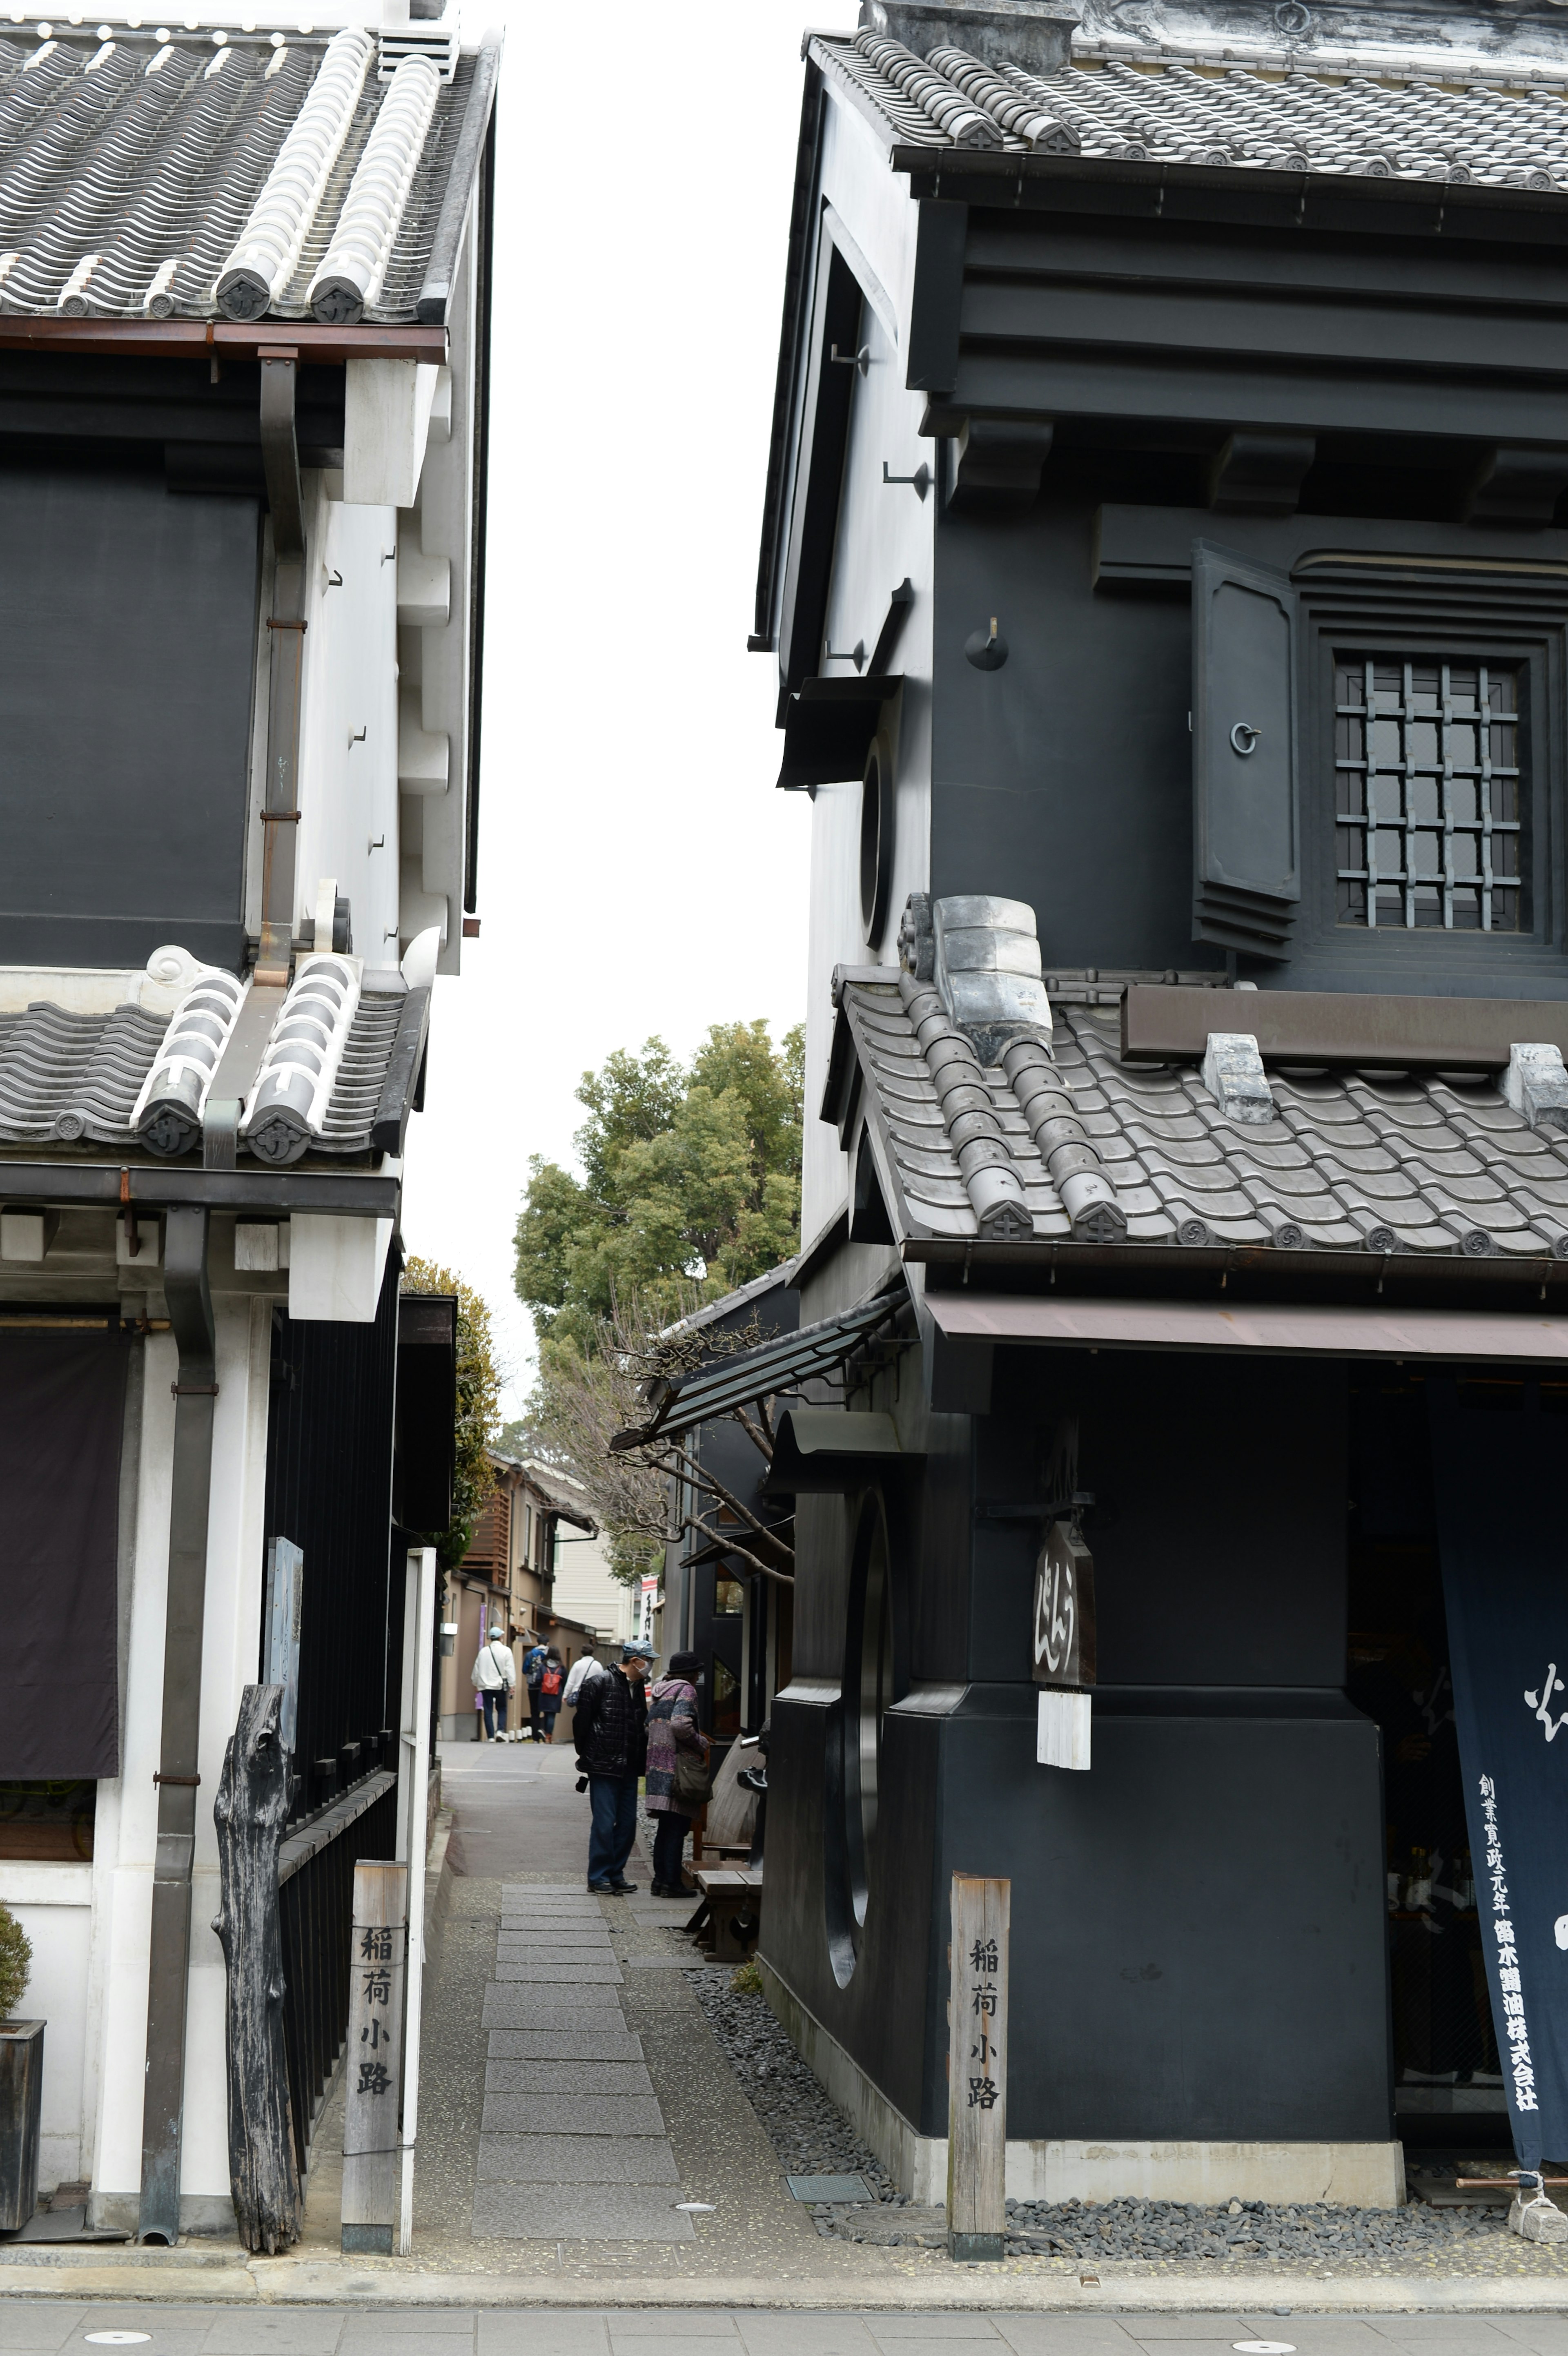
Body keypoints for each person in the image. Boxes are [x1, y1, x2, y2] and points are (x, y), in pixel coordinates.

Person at [573, 1639, 654, 1893]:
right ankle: (598, 1877)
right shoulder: (599, 1683)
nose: (650, 1665)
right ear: (636, 1661)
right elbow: (581, 1723)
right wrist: (588, 1755)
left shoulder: (638, 1685)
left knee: (628, 1823)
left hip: (630, 1764)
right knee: (605, 1822)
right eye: (648, 1660)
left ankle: (615, 1874)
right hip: (604, 1764)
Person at [645, 1650, 706, 1897]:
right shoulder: (686, 1690)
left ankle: (660, 1881)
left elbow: (648, 1726)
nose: (698, 1678)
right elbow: (681, 1725)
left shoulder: (661, 1690)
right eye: (698, 1673)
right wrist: (700, 1743)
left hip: (657, 1766)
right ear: (692, 1674)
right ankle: (672, 1883)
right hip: (677, 1769)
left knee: (666, 1828)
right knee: (677, 1827)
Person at [470, 1624, 514, 1743]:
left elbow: (476, 1669)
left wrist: (476, 1683)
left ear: (490, 1638)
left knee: (488, 1710)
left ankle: (490, 1737)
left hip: (485, 1686)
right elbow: (510, 1669)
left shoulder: (483, 1652)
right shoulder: (506, 1651)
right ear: (501, 1637)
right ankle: (500, 1731)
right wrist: (512, 1685)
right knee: (502, 1708)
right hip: (500, 1685)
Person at [523, 1637, 547, 1743]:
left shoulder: (530, 1654)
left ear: (537, 1642)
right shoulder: (550, 1654)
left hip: (533, 1686)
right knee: (548, 1711)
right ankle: (544, 1731)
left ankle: (535, 1738)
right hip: (547, 1687)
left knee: (534, 1712)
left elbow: (525, 1670)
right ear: (548, 1643)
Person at [540, 1646, 566, 1742]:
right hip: (556, 1694)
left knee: (545, 1713)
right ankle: (548, 1735)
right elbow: (565, 1682)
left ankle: (543, 1731)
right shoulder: (562, 1668)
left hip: (544, 1693)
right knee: (552, 1715)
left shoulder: (543, 1666)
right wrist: (565, 1695)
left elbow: (539, 1679)